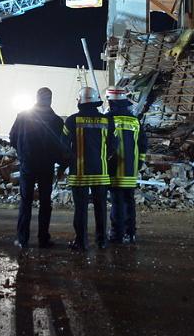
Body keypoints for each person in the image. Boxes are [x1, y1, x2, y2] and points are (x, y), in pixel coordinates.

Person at [9, 87, 66, 249]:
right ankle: (43, 238)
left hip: (28, 164)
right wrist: (60, 164)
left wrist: (22, 153)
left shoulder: (23, 117)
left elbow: (13, 137)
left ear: (36, 98)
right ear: (50, 99)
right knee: (45, 202)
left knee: (25, 201)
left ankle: (22, 239)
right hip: (46, 166)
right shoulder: (56, 120)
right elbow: (60, 145)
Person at [63, 86, 116, 251]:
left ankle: (81, 242)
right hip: (101, 172)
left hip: (79, 173)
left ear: (80, 101)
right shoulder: (107, 120)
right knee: (100, 208)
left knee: (81, 209)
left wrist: (65, 165)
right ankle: (102, 241)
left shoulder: (72, 120)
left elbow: (63, 146)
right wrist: (105, 157)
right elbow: (114, 145)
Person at [105, 87, 147, 244]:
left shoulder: (108, 118)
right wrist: (139, 163)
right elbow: (143, 145)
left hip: (113, 168)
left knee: (117, 202)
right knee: (129, 201)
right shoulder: (134, 120)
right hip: (131, 170)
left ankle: (117, 234)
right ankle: (130, 233)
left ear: (111, 102)